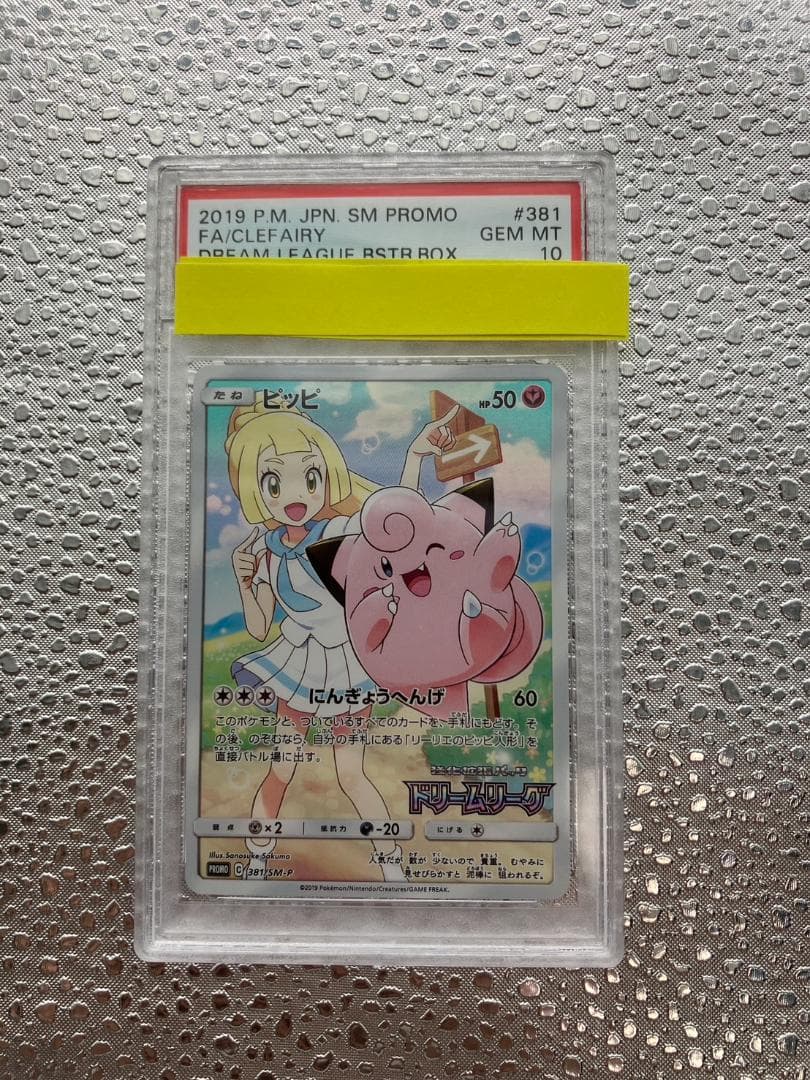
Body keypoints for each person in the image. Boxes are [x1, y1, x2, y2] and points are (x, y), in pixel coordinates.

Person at [225, 393, 456, 881]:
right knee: (282, 765)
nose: (294, 494)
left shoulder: (341, 530)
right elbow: (259, 626)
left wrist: (414, 456)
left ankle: (391, 865)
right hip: (299, 666)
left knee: (350, 772)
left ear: (326, 475)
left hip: (347, 667)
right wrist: (245, 582)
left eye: (310, 477)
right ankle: (257, 859)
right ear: (255, 489)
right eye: (273, 482)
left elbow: (396, 522)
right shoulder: (265, 550)